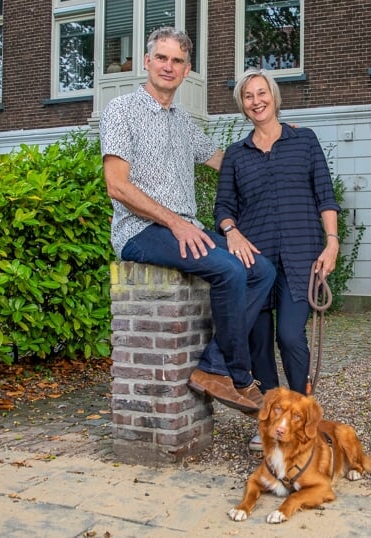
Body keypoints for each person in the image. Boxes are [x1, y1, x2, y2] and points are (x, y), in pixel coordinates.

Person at [100, 28, 276, 414]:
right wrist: (177, 223)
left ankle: (212, 367)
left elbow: (223, 161)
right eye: (161, 58)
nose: (168, 66)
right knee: (229, 269)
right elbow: (116, 186)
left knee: (261, 269)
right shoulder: (122, 110)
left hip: (184, 228)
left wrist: (273, 143)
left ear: (187, 70)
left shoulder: (183, 121)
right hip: (140, 230)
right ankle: (239, 377)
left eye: (177, 61)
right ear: (146, 62)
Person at [214, 68, 340, 448]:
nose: (256, 101)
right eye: (248, 96)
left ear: (274, 97)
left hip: (302, 257)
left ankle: (301, 417)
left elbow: (325, 193)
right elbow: (223, 206)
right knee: (258, 344)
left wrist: (331, 242)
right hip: (255, 262)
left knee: (290, 336)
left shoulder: (304, 141)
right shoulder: (236, 154)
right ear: (242, 105)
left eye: (262, 93)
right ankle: (271, 422)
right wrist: (231, 231)